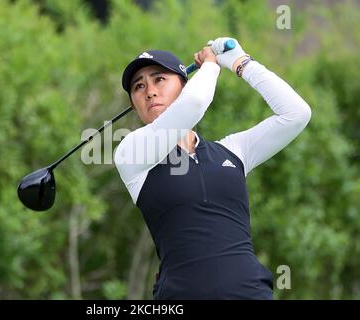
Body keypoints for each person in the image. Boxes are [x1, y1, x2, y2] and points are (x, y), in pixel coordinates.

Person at [114, 37, 311, 299]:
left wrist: (241, 63)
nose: (149, 91)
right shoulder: (131, 153)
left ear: (184, 85)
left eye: (159, 79)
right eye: (139, 87)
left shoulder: (233, 151)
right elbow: (194, 105)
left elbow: (296, 114)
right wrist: (211, 64)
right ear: (134, 105)